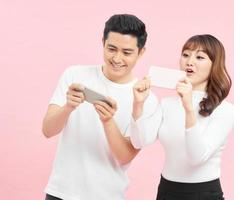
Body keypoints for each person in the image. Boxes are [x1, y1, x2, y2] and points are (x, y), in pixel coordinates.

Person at [42, 14, 158, 200]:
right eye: (111, 48)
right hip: (60, 192)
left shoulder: (145, 98)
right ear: (103, 42)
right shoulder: (74, 74)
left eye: (127, 52)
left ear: (141, 52)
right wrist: (68, 107)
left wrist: (107, 120)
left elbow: (125, 156)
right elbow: (47, 130)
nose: (117, 58)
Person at [130, 34, 234, 200]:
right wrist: (138, 104)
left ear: (214, 65)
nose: (189, 61)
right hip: (167, 191)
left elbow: (196, 158)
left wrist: (188, 108)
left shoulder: (225, 110)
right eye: (186, 55)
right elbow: (140, 141)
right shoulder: (167, 103)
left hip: (203, 194)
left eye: (200, 57)